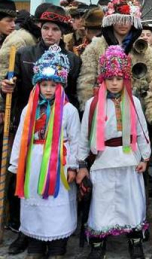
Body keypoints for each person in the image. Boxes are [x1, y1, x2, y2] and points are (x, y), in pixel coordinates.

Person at [78, 46, 150, 259]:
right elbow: (84, 136)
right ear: (103, 79)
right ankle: (98, 244)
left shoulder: (133, 101)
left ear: (125, 78)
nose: (114, 83)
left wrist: (145, 157)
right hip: (103, 159)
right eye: (110, 79)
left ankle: (135, 241)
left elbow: (142, 131)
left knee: (131, 200)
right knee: (102, 202)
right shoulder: (92, 104)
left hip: (129, 159)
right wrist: (82, 163)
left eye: (119, 78)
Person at [9, 45, 80, 258]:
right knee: (34, 204)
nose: (48, 89)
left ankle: (58, 246)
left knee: (57, 205)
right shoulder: (29, 109)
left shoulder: (69, 110)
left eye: (53, 85)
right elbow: (21, 136)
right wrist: (16, 163)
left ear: (61, 86)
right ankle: (35, 245)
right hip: (33, 163)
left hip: (59, 164)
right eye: (44, 84)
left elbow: (76, 140)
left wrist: (74, 166)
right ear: (37, 85)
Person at [77, 0, 152, 108]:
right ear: (111, 20)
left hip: (135, 110)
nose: (123, 24)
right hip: (101, 110)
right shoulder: (95, 47)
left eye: (127, 20)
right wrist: (89, 110)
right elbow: (86, 81)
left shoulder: (146, 51)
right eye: (118, 19)